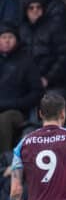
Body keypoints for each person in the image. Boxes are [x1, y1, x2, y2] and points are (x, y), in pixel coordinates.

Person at [0, 22, 43, 153]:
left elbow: (37, 92)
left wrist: (15, 103)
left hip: (17, 111)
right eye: (3, 37)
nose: (7, 41)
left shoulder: (26, 62)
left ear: (17, 40)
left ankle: (4, 160)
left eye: (10, 37)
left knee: (4, 119)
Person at [19, 0, 66, 94]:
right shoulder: (19, 30)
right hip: (23, 81)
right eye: (31, 8)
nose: (35, 10)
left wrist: (48, 78)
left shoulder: (55, 29)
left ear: (43, 9)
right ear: (25, 10)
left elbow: (63, 57)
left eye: (38, 7)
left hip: (51, 83)